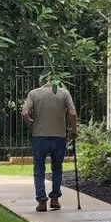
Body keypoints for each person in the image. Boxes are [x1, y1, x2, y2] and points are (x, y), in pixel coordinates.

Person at [20, 78, 77, 212]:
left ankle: (42, 201)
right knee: (57, 168)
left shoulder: (34, 93)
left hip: (39, 137)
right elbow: (73, 113)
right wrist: (73, 130)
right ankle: (55, 199)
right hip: (59, 137)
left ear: (41, 82)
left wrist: (31, 123)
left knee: (39, 169)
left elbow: (24, 113)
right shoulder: (64, 93)